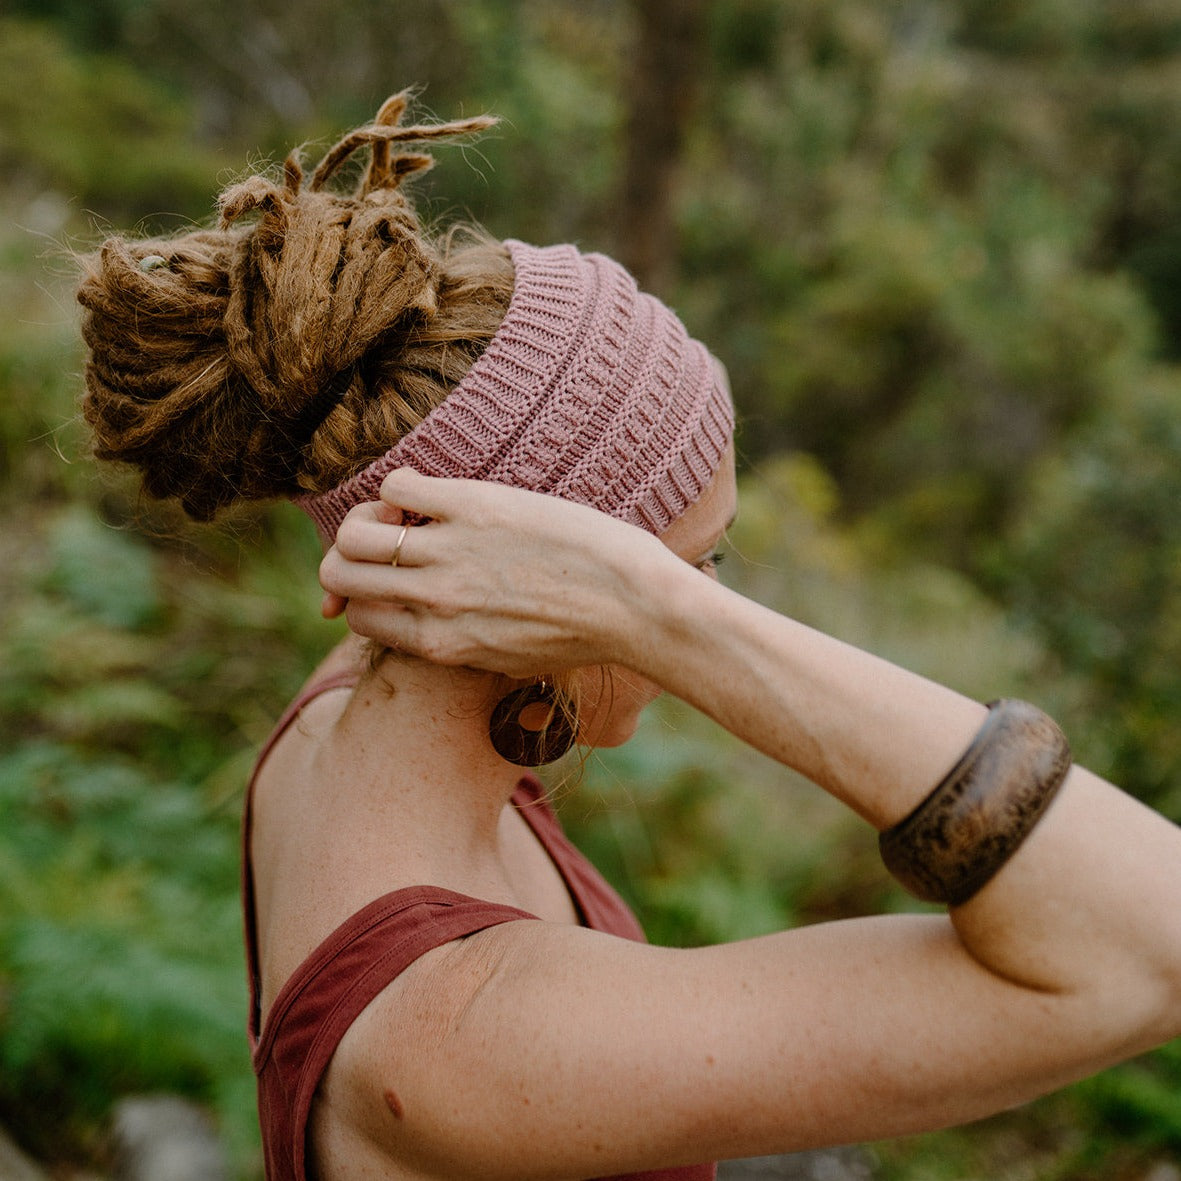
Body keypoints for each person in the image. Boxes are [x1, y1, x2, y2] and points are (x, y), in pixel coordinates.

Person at [76, 94, 1180, 1181]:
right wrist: (661, 616)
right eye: (688, 563)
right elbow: (1147, 948)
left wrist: (634, 593)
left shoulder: (338, 726)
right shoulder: (463, 1038)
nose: (700, 593)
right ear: (532, 598)